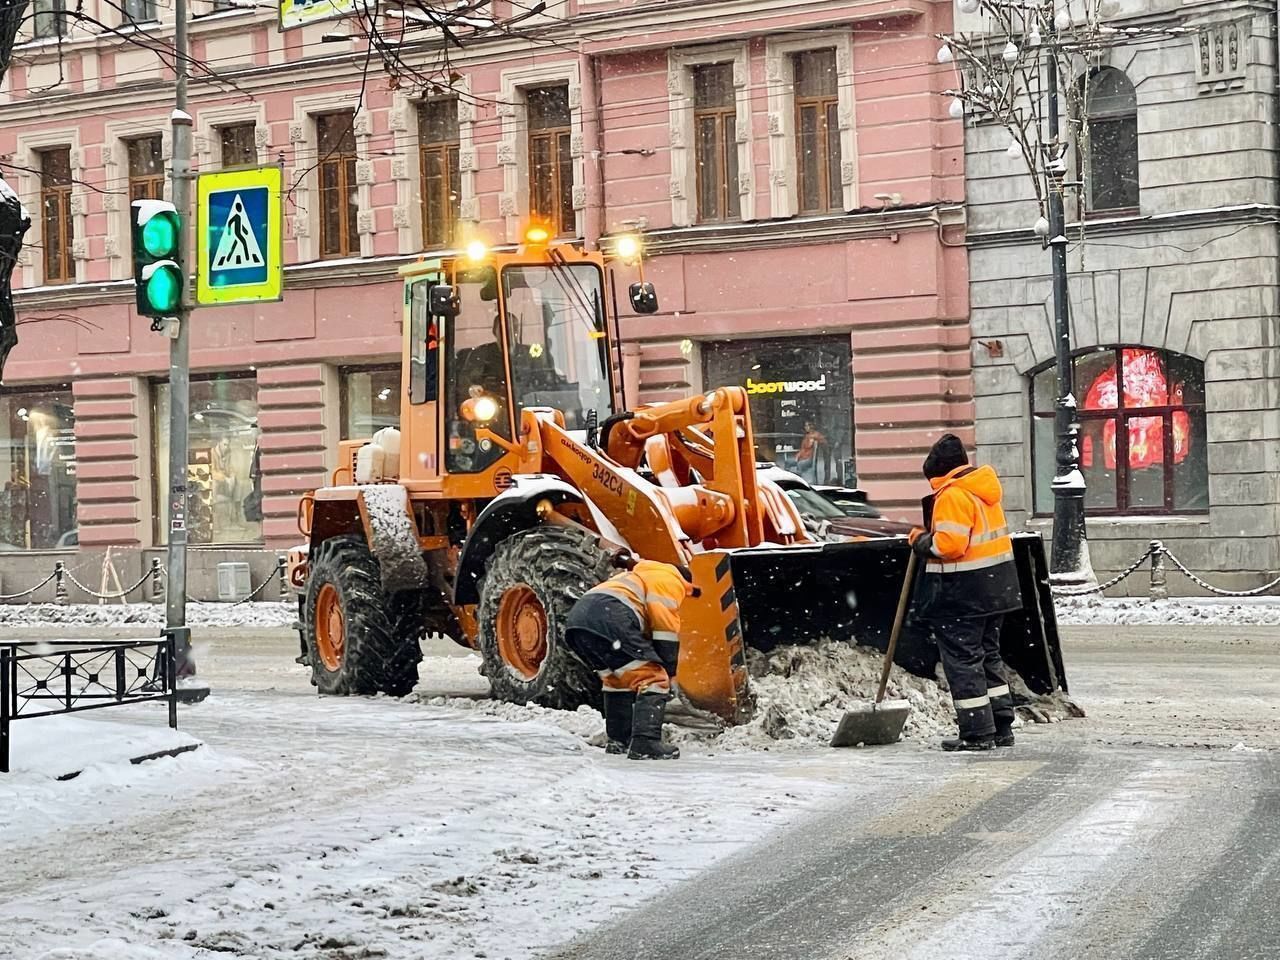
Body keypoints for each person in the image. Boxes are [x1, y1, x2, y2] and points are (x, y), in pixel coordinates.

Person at [909, 434, 1022, 752]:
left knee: (963, 660)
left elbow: (949, 546)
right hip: (994, 590)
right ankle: (1001, 727)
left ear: (938, 473)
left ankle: (976, 733)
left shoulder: (952, 495)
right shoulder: (983, 491)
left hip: (963, 594)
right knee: (988, 655)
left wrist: (920, 541)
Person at [564, 551, 699, 760]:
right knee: (654, 678)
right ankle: (646, 743)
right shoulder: (670, 580)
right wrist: (669, 671)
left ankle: (618, 740)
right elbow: (665, 630)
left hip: (578, 621)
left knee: (617, 679)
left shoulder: (641, 575)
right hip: (611, 617)